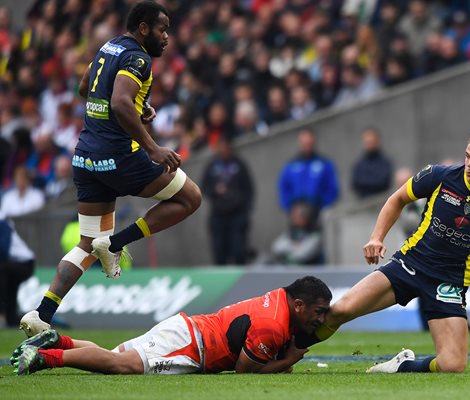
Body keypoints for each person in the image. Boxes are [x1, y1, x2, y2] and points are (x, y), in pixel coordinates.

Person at [19, 1, 202, 338]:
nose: (166, 38)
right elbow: (119, 102)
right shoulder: (138, 58)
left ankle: (42, 314)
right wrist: (154, 148)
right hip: (120, 159)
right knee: (190, 198)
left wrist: (138, 105)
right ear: (143, 28)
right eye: (162, 30)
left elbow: (84, 87)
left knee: (87, 243)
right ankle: (117, 243)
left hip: (85, 159)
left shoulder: (108, 46)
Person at [295, 117, 470, 373]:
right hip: (410, 263)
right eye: (467, 156)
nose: (469, 164)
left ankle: (401, 366)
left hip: (449, 281)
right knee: (340, 310)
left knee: (453, 365)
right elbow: (397, 199)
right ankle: (287, 353)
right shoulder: (440, 176)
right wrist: (376, 237)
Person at [12, 276, 332, 376]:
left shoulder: (279, 299)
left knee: (110, 355)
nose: (320, 319)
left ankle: (57, 341)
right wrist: (288, 360)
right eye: (318, 312)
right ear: (299, 305)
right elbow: (245, 371)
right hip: (193, 346)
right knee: (122, 366)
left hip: (187, 328)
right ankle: (44, 358)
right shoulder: (274, 325)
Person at [201, 137, 254, 265]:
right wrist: (215, 190)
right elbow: (204, 187)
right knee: (219, 251)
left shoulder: (239, 165)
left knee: (238, 250)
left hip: (237, 214)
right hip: (218, 215)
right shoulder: (212, 166)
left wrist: (244, 208)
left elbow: (248, 189)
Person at [278, 128, 339, 215]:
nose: (307, 145)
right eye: (304, 143)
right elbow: (284, 189)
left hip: (319, 212)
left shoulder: (325, 164)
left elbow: (332, 189)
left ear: (313, 142)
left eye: (309, 143)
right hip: (296, 214)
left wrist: (322, 205)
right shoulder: (290, 166)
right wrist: (291, 209)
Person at [0, 211, 35, 327]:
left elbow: (3, 250)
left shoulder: (2, 221)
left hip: (24, 263)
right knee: (10, 288)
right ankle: (11, 318)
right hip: (13, 263)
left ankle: (3, 314)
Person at [351, 128, 392, 198]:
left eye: (371, 142)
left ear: (377, 142)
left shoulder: (385, 162)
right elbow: (355, 183)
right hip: (364, 203)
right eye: (367, 142)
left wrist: (365, 184)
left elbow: (383, 182)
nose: (370, 145)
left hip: (381, 201)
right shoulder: (359, 164)